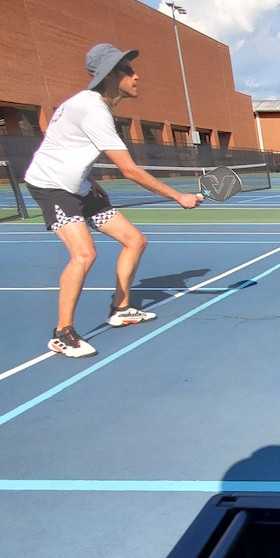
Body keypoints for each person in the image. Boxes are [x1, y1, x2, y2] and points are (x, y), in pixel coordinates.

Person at [24, 43, 202, 357]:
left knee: (135, 240)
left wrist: (88, 180)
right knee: (84, 254)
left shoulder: (91, 106)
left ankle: (120, 308)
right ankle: (62, 333)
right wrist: (178, 196)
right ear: (110, 75)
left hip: (78, 187)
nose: (137, 75)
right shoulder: (92, 108)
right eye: (127, 70)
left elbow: (65, 144)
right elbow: (129, 170)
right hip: (51, 188)